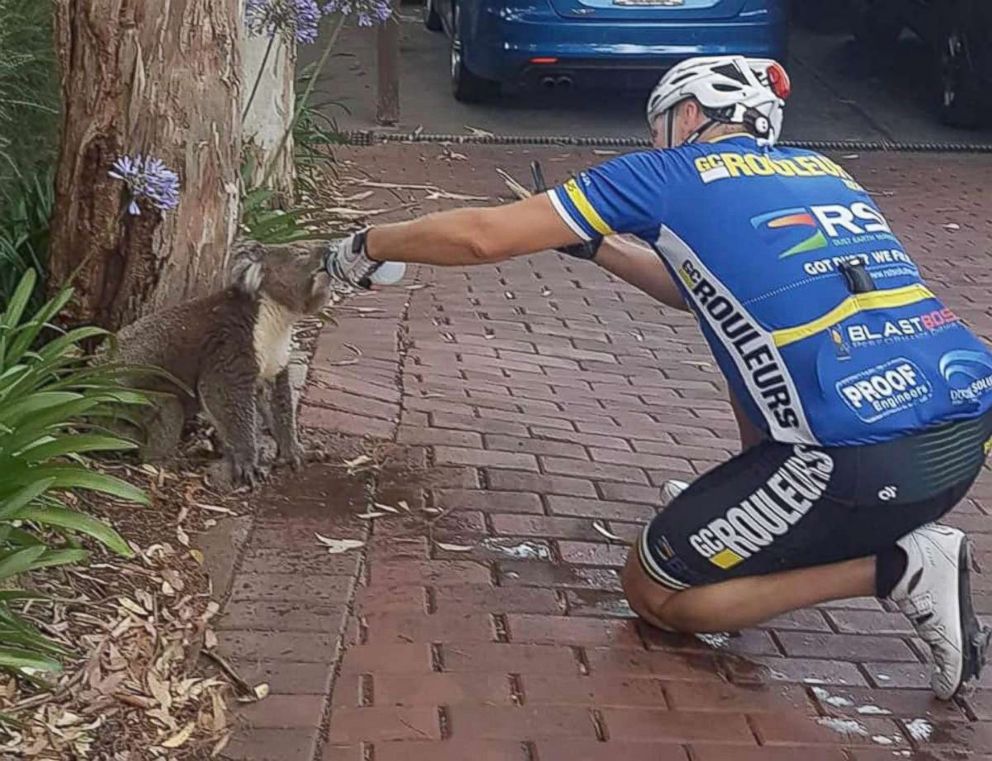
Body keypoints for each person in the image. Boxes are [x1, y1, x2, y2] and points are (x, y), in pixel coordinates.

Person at [322, 55, 992, 700]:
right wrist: (593, 243)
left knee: (656, 592)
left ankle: (897, 569)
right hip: (960, 440)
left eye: (659, 121)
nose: (653, 137)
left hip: (856, 466)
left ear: (692, 112)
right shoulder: (825, 170)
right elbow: (691, 289)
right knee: (748, 334)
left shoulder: (668, 173)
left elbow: (480, 237)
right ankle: (763, 501)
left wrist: (363, 245)